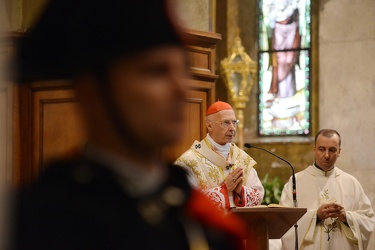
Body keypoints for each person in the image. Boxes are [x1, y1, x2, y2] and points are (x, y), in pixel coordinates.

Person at [10, 1, 250, 249]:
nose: (181, 89)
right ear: (92, 92)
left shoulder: (195, 222)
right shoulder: (37, 222)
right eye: (156, 71)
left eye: (184, 71)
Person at [280, 129, 375, 249]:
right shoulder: (295, 182)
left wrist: (347, 217)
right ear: (314, 149)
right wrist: (316, 216)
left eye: (332, 150)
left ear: (339, 151)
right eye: (321, 149)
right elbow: (284, 222)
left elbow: (368, 220)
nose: (326, 155)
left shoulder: (351, 183)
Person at [175, 101, 264, 210]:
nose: (232, 128)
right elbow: (186, 203)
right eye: (226, 122)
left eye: (234, 122)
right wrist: (224, 190)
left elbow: (259, 195)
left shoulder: (242, 158)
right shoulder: (189, 161)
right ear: (209, 125)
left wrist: (241, 191)